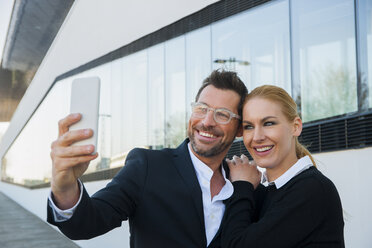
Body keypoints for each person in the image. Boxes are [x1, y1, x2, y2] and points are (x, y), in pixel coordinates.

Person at [47, 69, 248, 248]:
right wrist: (64, 188)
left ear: (239, 128)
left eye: (222, 114)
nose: (206, 121)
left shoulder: (243, 184)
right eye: (202, 108)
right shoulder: (148, 166)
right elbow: (86, 223)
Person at [221, 85, 345, 248]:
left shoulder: (312, 189)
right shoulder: (271, 191)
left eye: (269, 123)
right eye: (249, 126)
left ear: (296, 126)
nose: (257, 137)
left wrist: (242, 186)